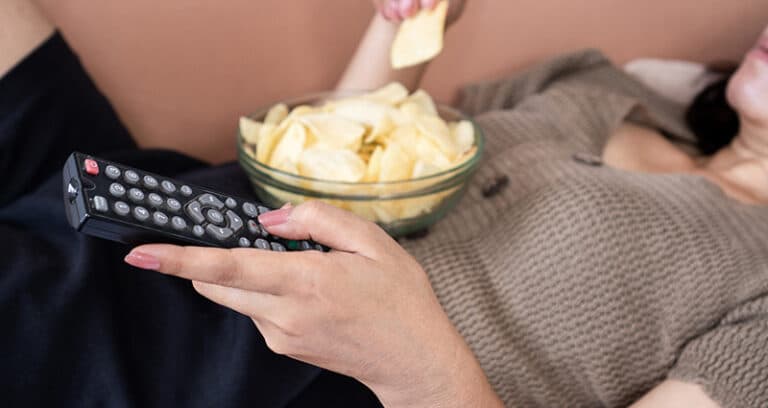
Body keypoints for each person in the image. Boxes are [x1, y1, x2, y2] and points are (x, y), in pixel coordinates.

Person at [2, 1, 766, 407]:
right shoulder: (609, 87)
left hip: (252, 356)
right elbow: (347, 146)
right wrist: (405, 18)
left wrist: (422, 371)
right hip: (190, 198)